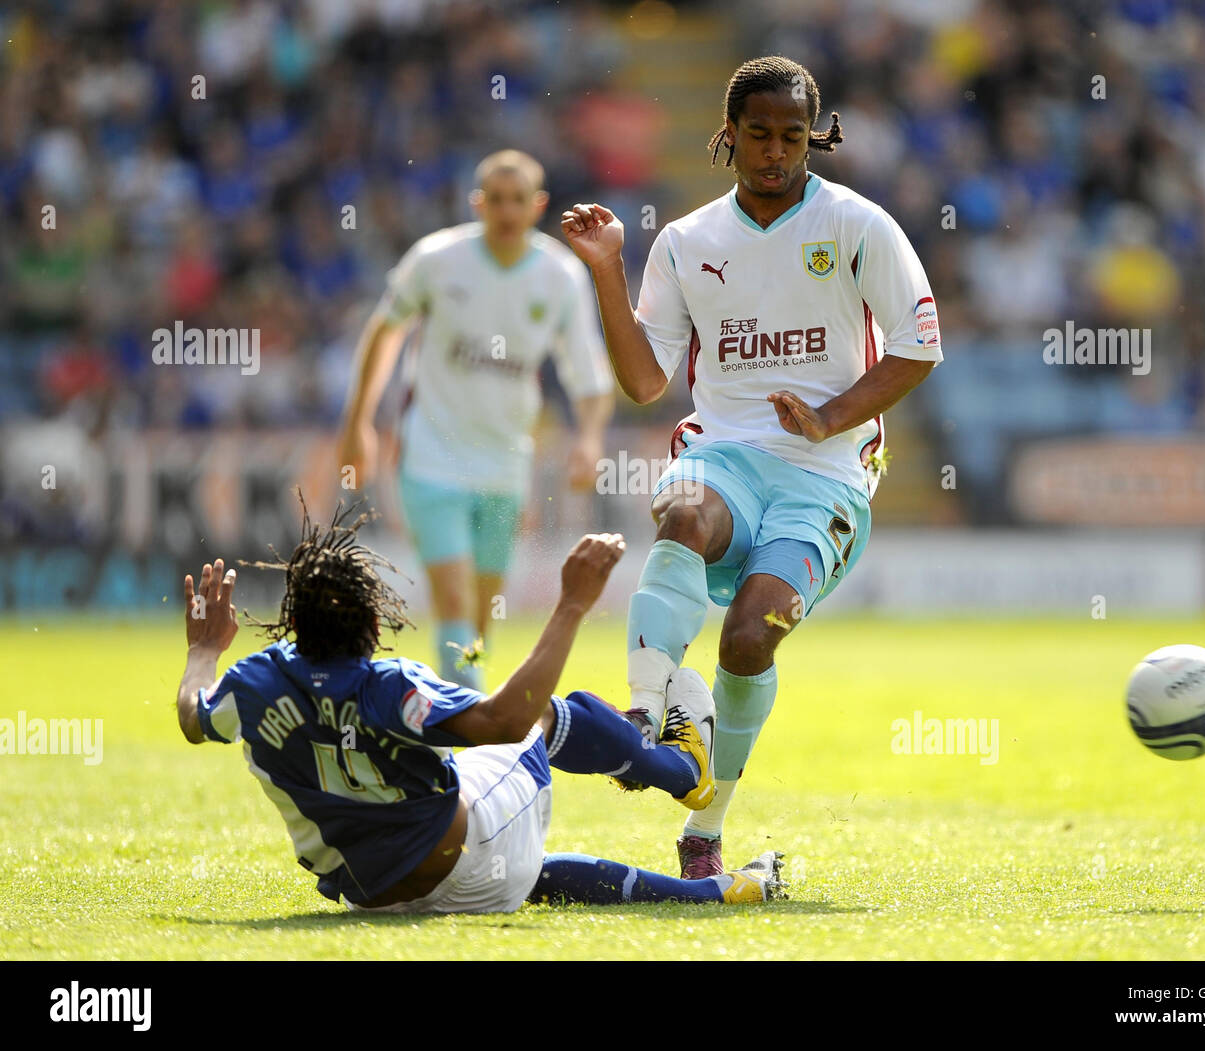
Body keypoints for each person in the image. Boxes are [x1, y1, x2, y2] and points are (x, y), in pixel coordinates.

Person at [561, 56, 943, 877]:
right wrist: (604, 271)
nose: (775, 151)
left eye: (793, 136)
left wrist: (832, 416)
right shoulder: (688, 240)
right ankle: (645, 709)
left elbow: (919, 348)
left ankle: (706, 826)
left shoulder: (857, 226)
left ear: (814, 139)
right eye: (760, 134)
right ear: (729, 134)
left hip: (829, 473)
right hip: (723, 452)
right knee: (685, 514)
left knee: (746, 641)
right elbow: (643, 381)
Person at [174, 502, 785, 913]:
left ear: (293, 621)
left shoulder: (253, 684)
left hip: (373, 896)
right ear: (371, 620)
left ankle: (709, 890)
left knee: (504, 852)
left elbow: (194, 717)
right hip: (463, 860)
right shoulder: (390, 685)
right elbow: (506, 721)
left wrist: (203, 650)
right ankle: (679, 770)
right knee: (537, 718)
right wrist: (571, 605)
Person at [338, 149, 615, 690]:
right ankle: (463, 718)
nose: (507, 211)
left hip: (506, 461)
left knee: (483, 611)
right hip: (431, 451)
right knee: (454, 596)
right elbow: (385, 332)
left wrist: (589, 438)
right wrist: (358, 423)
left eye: (519, 200)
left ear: (537, 206)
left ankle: (462, 695)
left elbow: (589, 373)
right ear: (478, 203)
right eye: (496, 200)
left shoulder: (560, 274)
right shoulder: (437, 260)